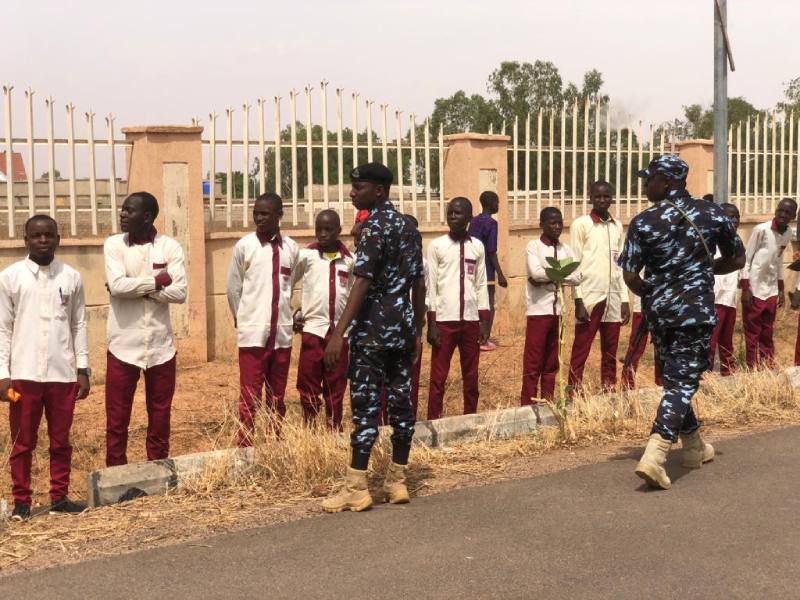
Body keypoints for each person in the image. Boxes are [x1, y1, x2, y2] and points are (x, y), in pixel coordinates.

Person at [618, 154, 745, 490]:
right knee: (682, 381)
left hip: (659, 313)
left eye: (650, 179)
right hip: (694, 312)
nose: (646, 185)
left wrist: (650, 290)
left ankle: (693, 448)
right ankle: (655, 455)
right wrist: (705, 271)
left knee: (677, 379)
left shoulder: (643, 221)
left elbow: (630, 275)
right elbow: (737, 257)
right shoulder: (712, 213)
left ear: (668, 181)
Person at [321, 163, 425, 513]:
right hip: (403, 329)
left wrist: (339, 334)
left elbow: (362, 281)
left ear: (378, 191)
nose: (352, 193)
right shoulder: (409, 227)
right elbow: (419, 282)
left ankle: (357, 488)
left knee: (365, 408)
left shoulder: (375, 227)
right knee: (401, 405)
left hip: (373, 332)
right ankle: (397, 482)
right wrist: (419, 328)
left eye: (359, 187)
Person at [0, 215, 90, 520]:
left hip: (62, 374)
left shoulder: (71, 277)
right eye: (36, 236)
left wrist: (83, 369)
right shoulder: (10, 278)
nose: (42, 241)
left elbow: (79, 323)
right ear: (25, 239)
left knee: (61, 440)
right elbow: (3, 329)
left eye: (48, 235)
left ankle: (59, 497)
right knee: (22, 442)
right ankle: (22, 502)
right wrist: (3, 374)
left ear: (58, 239)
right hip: (22, 377)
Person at [104, 192, 187, 467]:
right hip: (123, 346)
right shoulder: (114, 245)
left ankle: (158, 469)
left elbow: (180, 293)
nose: (123, 214)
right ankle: (116, 473)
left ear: (148, 216)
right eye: (123, 209)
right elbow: (116, 286)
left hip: (161, 347)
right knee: (117, 418)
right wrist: (158, 282)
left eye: (129, 210)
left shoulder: (170, 247)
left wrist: (139, 289)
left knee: (160, 415)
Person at [227, 192, 299, 445]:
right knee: (249, 395)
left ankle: (274, 443)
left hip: (281, 335)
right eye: (256, 212)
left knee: (277, 396)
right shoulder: (245, 246)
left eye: (265, 213)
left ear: (279, 215)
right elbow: (233, 288)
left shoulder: (292, 248)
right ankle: (245, 446)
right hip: (253, 334)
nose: (259, 217)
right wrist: (244, 318)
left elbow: (291, 282)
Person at [426, 197, 490, 420]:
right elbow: (431, 286)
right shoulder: (437, 246)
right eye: (450, 213)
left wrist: (484, 320)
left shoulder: (477, 246)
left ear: (469, 218)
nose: (453, 217)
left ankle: (470, 418)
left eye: (458, 213)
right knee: (438, 378)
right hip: (444, 320)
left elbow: (481, 284)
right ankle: (434, 421)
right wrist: (432, 323)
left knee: (471, 376)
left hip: (471, 321)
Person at [293, 210, 354, 430]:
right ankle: (310, 430)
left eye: (329, 229)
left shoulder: (349, 261)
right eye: (319, 229)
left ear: (339, 231)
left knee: (336, 385)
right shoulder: (306, 256)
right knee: (308, 383)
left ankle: (334, 429)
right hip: (313, 330)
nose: (323, 234)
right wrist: (295, 312)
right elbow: (288, 282)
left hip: (339, 334)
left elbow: (353, 295)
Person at [568, 181, 630, 393]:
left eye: (606, 196)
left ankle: (608, 389)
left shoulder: (617, 226)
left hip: (612, 295)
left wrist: (624, 299)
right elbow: (574, 263)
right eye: (598, 196)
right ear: (590, 198)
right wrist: (578, 299)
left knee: (610, 349)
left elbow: (619, 265)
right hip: (590, 296)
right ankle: (573, 391)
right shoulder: (581, 224)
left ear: (612, 197)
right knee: (581, 348)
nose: (602, 200)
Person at [520, 207, 581, 405]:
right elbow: (535, 273)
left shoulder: (565, 249)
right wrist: (560, 276)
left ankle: (548, 401)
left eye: (559, 222)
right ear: (542, 225)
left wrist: (553, 277)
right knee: (533, 361)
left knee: (552, 361)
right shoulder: (534, 246)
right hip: (539, 311)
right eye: (552, 223)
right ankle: (527, 404)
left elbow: (578, 276)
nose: (556, 226)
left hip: (559, 312)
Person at [740, 198, 797, 369]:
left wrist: (780, 289)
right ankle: (751, 368)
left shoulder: (787, 233)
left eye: (787, 213)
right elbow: (747, 260)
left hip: (770, 289)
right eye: (780, 210)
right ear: (776, 210)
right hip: (754, 289)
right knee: (752, 333)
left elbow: (778, 261)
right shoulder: (761, 230)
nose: (783, 215)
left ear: (793, 216)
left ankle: (767, 367)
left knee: (767, 332)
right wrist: (745, 288)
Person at [468, 190, 508, 351]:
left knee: (475, 303)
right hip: (487, 269)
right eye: (497, 202)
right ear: (491, 204)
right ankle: (484, 339)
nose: (498, 205)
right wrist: (500, 274)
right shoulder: (491, 223)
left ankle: (473, 338)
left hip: (472, 266)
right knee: (488, 303)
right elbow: (491, 250)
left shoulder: (474, 221)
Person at [709, 203, 742, 376]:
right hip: (714, 300)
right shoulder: (711, 242)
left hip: (729, 300)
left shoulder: (737, 242)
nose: (735, 220)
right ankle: (704, 376)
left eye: (737, 217)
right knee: (710, 342)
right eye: (730, 217)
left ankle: (728, 374)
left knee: (726, 342)